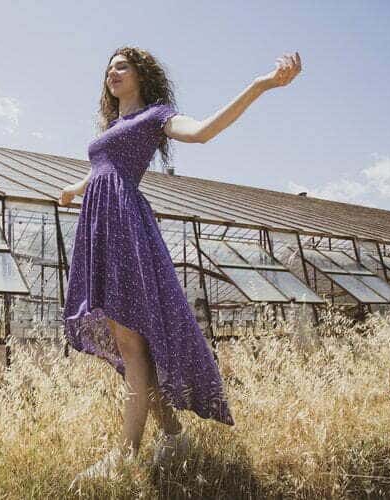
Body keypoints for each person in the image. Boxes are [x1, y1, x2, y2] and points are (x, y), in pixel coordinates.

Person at [60, 46, 302, 486]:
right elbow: (103, 167)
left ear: (141, 75)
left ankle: (124, 457)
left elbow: (204, 131)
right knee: (131, 341)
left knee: (132, 343)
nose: (112, 73)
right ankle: (172, 435)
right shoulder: (114, 126)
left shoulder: (156, 116)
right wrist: (74, 189)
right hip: (100, 223)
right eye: (108, 68)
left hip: (124, 228)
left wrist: (261, 85)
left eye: (122, 66)